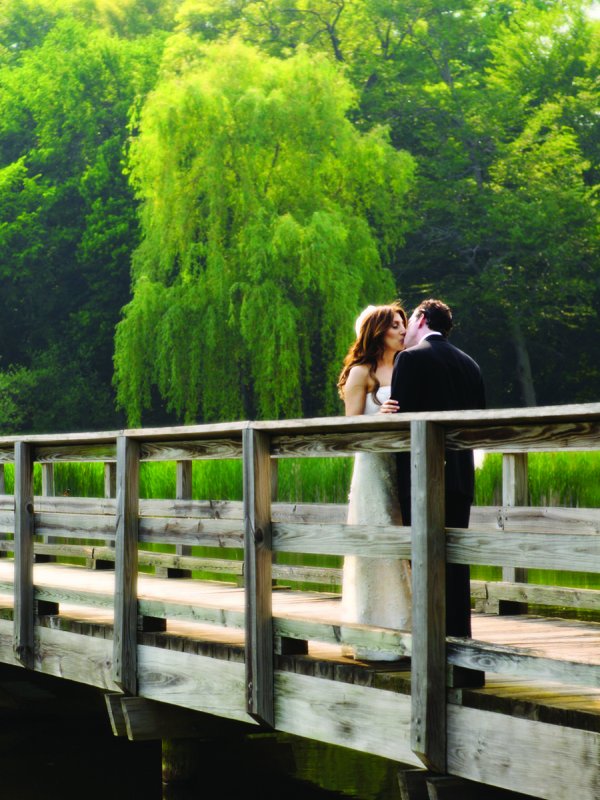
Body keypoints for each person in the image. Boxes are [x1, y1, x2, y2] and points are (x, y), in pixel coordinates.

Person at [388, 298, 486, 637]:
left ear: (421, 318)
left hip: (422, 478)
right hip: (460, 478)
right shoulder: (471, 365)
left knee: (425, 561)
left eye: (410, 319)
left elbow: (401, 427)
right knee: (456, 563)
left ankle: (431, 640)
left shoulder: (410, 360)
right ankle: (459, 639)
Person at [337, 303, 413, 660]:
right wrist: (377, 417)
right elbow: (348, 429)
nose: (403, 330)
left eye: (404, 324)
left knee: (404, 542)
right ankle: (372, 634)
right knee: (377, 541)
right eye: (396, 325)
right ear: (379, 331)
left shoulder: (409, 365)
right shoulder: (360, 373)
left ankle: (408, 629)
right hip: (372, 468)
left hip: (405, 466)